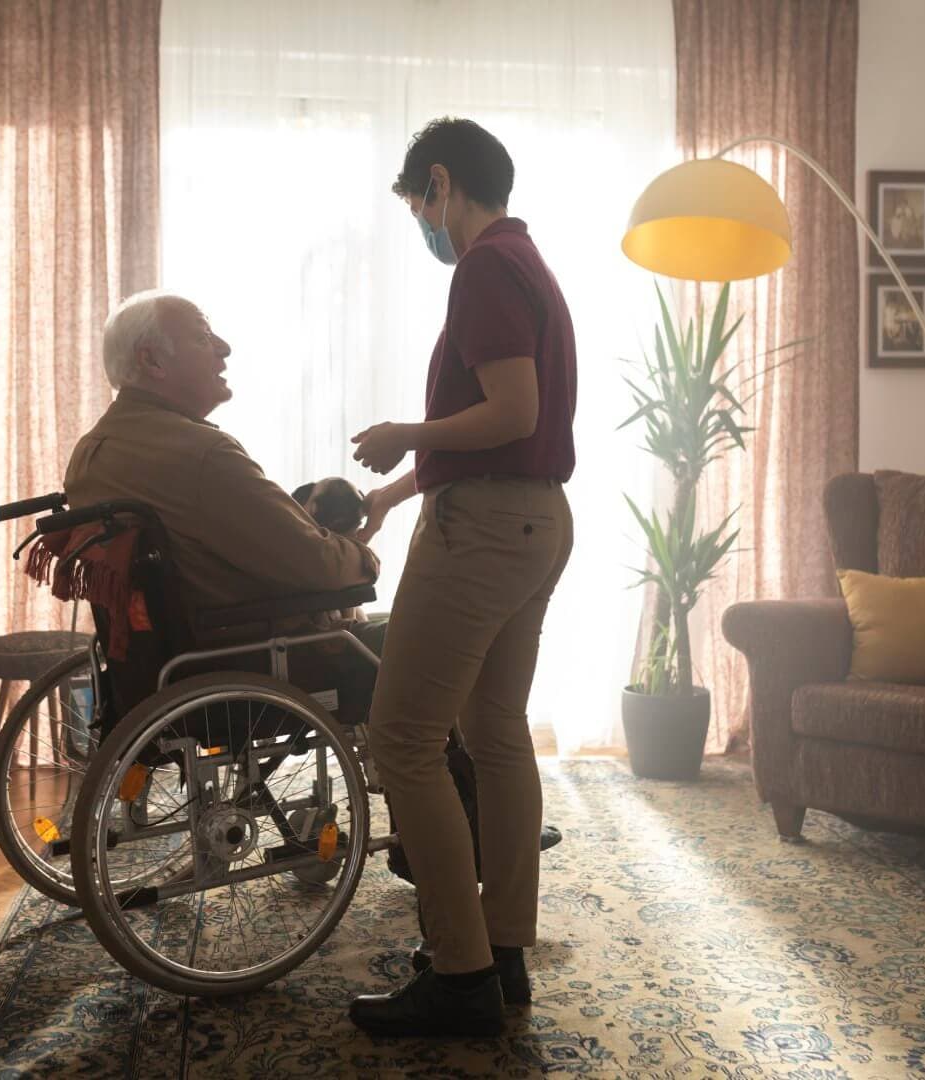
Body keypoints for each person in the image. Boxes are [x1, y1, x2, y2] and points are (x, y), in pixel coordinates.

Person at [346, 118, 577, 1038]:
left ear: (440, 184)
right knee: (493, 733)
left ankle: (459, 973)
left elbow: (508, 410)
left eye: (417, 206)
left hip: (484, 530)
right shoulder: (527, 262)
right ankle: (502, 951)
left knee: (400, 738)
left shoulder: (484, 266)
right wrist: (403, 490)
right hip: (533, 519)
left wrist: (407, 434)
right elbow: (513, 427)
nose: (423, 226)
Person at [64, 290, 379, 626]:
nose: (224, 348)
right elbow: (320, 565)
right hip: (264, 652)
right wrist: (364, 555)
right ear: (152, 361)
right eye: (203, 337)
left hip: (158, 661)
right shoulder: (203, 455)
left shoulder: (86, 458)